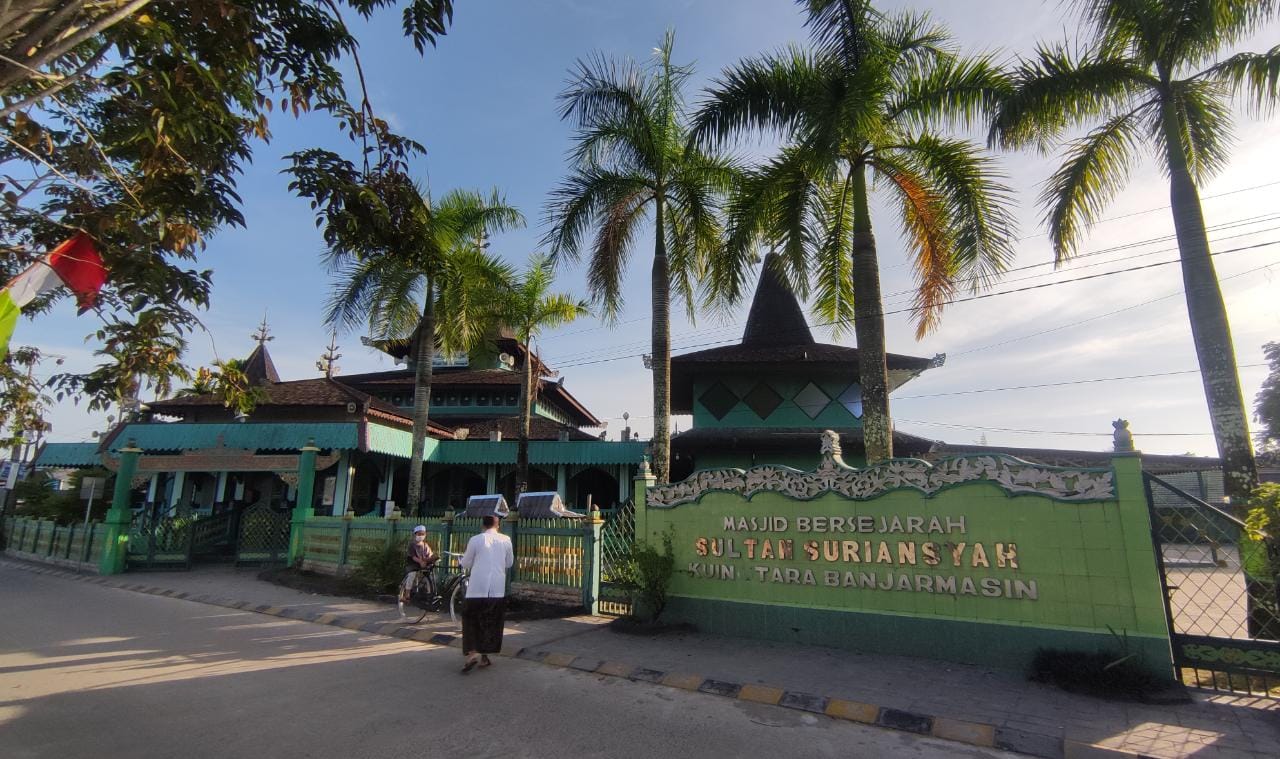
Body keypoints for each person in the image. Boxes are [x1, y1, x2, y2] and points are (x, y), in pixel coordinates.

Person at [459, 514, 514, 673]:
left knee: (471, 620)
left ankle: (472, 654)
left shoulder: (476, 539)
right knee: (491, 622)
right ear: (498, 526)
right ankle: (484, 656)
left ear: (483, 525)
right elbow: (509, 563)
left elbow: (467, 562)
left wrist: (460, 562)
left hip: (477, 587)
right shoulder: (506, 540)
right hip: (497, 588)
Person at [398, 525, 436, 617]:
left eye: (423, 534)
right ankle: (406, 594)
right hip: (413, 564)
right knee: (412, 575)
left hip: (423, 565)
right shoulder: (412, 545)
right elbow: (413, 557)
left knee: (429, 577)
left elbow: (429, 554)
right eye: (419, 534)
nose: (421, 536)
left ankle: (429, 595)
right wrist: (420, 561)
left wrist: (431, 558)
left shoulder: (425, 545)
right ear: (415, 534)